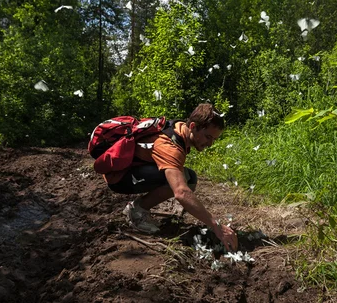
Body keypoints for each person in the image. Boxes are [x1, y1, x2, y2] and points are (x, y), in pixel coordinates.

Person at [101, 103, 238, 252]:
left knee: (189, 177)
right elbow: (181, 192)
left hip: (133, 170)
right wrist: (216, 226)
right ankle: (136, 211)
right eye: (208, 137)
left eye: (214, 139)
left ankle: (141, 206)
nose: (210, 144)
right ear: (193, 126)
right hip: (120, 178)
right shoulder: (170, 145)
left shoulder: (179, 129)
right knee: (183, 182)